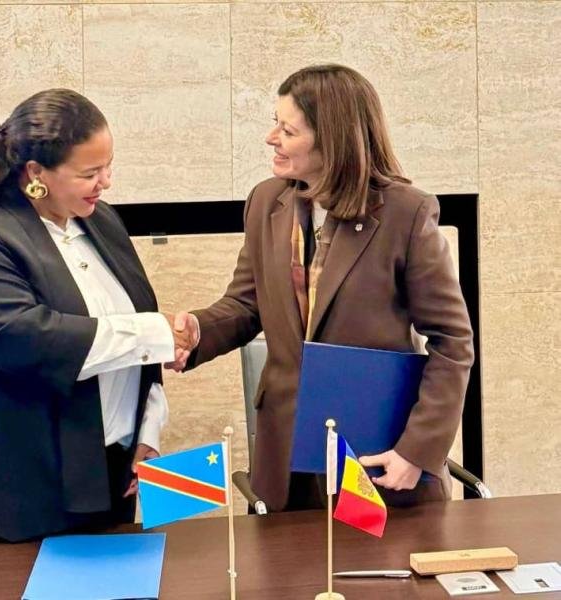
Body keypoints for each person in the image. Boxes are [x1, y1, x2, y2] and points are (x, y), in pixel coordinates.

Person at [169, 64, 474, 510]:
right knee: (285, 559)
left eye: (288, 130)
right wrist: (198, 331)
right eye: (275, 123)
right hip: (286, 461)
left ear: (333, 140)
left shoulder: (406, 213)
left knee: (375, 559)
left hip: (378, 458)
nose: (271, 138)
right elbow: (247, 304)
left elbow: (452, 341)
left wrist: (417, 450)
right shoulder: (265, 201)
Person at [0, 89, 194, 542]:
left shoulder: (101, 221)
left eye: (108, 167)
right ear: (36, 173)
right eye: (89, 173)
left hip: (101, 481)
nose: (105, 182)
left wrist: (146, 432)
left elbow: (136, 337)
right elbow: (24, 337)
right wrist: (155, 333)